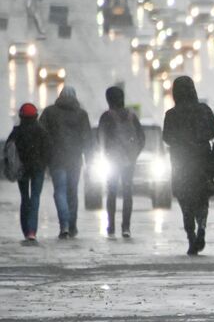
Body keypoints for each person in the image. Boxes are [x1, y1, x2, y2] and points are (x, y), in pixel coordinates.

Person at [162, 76, 214, 256]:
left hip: (181, 163)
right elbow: (212, 131)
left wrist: (182, 142)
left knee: (185, 200)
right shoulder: (204, 110)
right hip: (202, 161)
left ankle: (191, 235)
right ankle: (202, 226)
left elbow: (167, 138)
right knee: (202, 197)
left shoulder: (171, 115)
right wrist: (198, 140)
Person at [40, 85, 91, 239]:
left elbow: (42, 135)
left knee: (60, 192)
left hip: (56, 159)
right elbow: (87, 138)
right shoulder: (81, 114)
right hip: (75, 159)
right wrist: (88, 158)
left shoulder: (49, 112)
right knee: (72, 192)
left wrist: (44, 156)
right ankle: (73, 225)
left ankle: (64, 225)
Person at [97, 86, 145, 238]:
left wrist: (106, 153)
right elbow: (141, 138)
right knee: (127, 192)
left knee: (111, 192)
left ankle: (111, 226)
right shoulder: (132, 116)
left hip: (112, 160)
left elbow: (100, 138)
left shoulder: (106, 116)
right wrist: (134, 154)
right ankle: (126, 227)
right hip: (129, 160)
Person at [6, 103, 50, 242]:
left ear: (21, 116)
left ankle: (26, 230)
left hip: (22, 169)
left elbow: (8, 150)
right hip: (38, 168)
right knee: (35, 198)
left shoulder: (17, 132)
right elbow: (48, 150)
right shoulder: (42, 131)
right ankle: (32, 231)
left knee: (25, 198)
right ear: (36, 116)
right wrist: (45, 164)